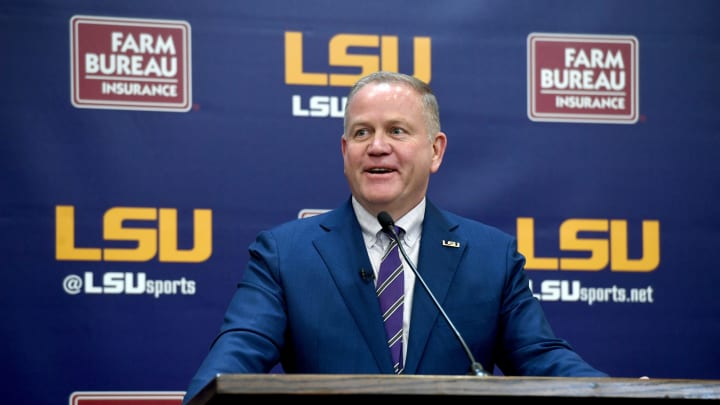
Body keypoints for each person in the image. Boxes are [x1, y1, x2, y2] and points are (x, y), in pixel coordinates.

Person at [182, 71, 607, 404]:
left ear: (436, 150)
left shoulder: (491, 256)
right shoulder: (283, 254)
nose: (377, 146)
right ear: (344, 151)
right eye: (362, 133)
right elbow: (236, 356)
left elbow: (542, 358)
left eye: (397, 131)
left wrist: (621, 393)